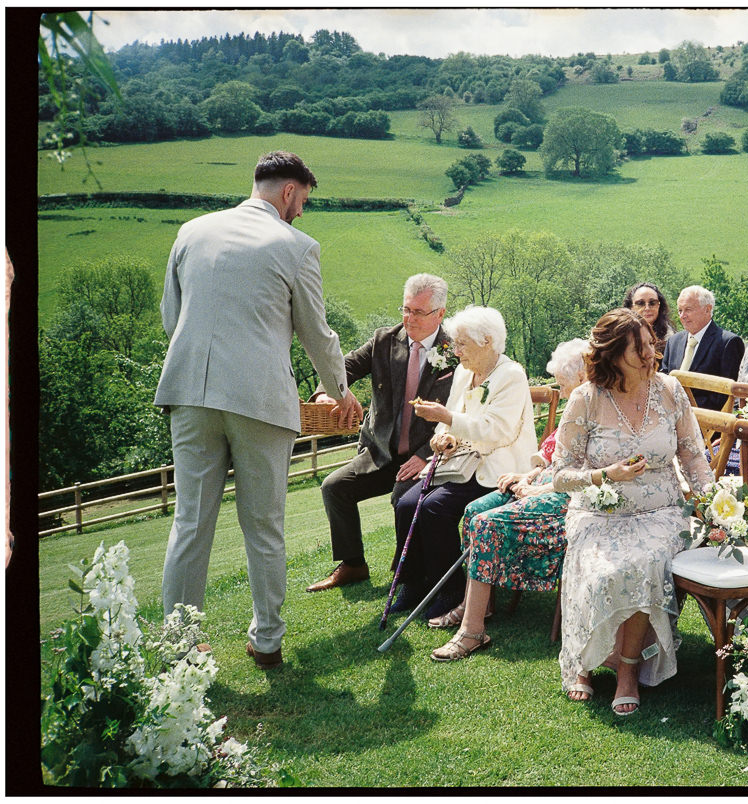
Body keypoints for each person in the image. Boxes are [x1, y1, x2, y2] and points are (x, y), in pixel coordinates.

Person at [155, 151, 362, 669]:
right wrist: (339, 388)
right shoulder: (297, 247)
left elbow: (171, 316)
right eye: (304, 202)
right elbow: (317, 332)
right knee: (264, 525)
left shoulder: (192, 231)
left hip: (189, 394)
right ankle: (267, 640)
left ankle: (180, 649)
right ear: (290, 192)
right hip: (260, 400)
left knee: (189, 523)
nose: (301, 212)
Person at [553, 308, 715, 716]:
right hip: (599, 513)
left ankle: (628, 672)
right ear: (611, 355)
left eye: (650, 345)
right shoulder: (585, 399)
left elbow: (694, 457)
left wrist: (717, 509)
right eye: (638, 350)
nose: (651, 355)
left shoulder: (670, 390)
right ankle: (584, 659)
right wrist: (605, 474)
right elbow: (560, 476)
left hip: (661, 512)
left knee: (644, 562)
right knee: (606, 569)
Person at [427, 338, 590, 660]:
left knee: (487, 524)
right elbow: (553, 450)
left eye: (565, 384)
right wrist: (527, 476)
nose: (563, 391)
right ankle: (480, 603)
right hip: (547, 480)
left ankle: (472, 632)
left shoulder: (594, 404)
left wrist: (541, 489)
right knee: (474, 511)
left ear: (584, 378)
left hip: (571, 495)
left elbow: (589, 473)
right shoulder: (577, 402)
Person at [305, 274, 455, 594]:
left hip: (425, 454)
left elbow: (462, 412)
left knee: (404, 498)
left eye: (419, 312)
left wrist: (426, 455)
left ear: (440, 313)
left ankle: (408, 575)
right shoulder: (384, 340)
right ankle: (353, 564)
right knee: (334, 487)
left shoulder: (455, 350)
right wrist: (326, 394)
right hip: (381, 452)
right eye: (405, 309)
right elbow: (344, 366)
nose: (409, 318)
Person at [390, 306, 538, 624]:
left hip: (496, 471)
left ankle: (453, 589)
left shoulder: (511, 375)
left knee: (434, 508)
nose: (455, 351)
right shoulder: (464, 372)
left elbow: (495, 432)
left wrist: (446, 419)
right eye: (455, 344)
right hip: (459, 464)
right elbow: (452, 421)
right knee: (406, 502)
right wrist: (442, 437)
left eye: (461, 344)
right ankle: (415, 582)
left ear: (487, 341)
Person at [659, 285, 745, 410]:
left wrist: (687, 411)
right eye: (680, 310)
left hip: (705, 423)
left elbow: (724, 395)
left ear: (707, 309)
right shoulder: (673, 341)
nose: (683, 316)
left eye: (688, 309)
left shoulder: (728, 343)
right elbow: (664, 380)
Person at [623, 282, 674, 354]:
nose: (647, 308)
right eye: (640, 303)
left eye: (652, 303)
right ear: (631, 307)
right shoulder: (620, 336)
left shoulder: (672, 341)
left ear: (659, 306)